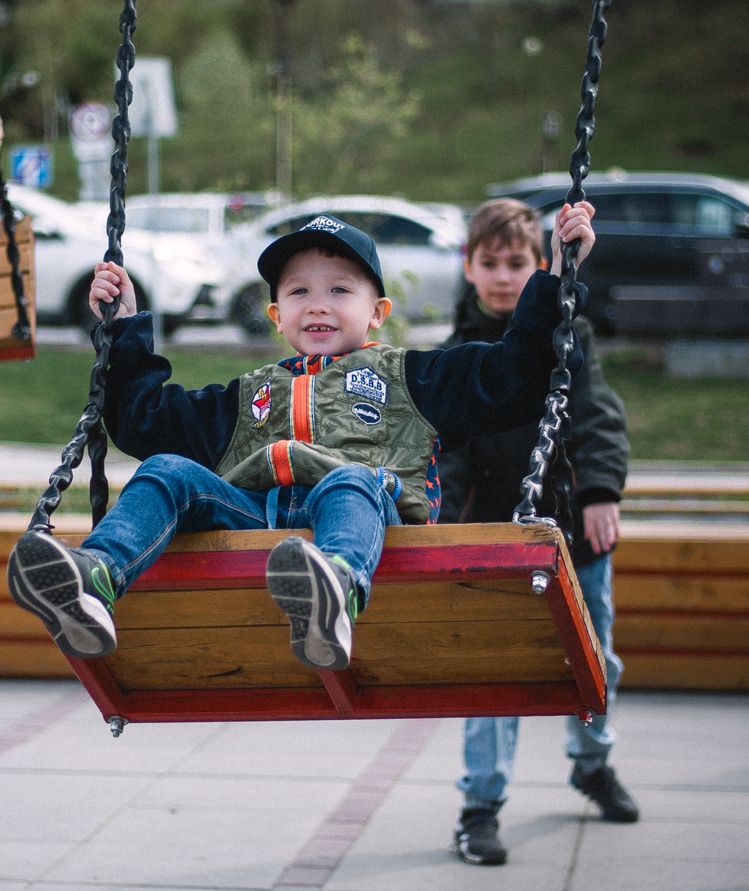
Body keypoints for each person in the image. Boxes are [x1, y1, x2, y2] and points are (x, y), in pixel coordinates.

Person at [7, 206, 595, 673]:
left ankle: (332, 590)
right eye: (298, 293)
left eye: (340, 290)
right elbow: (144, 420)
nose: (317, 305)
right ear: (275, 315)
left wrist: (556, 279)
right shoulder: (248, 396)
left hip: (369, 523)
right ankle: (93, 579)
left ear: (377, 312)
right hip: (259, 520)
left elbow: (515, 376)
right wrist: (124, 329)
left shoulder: (413, 379)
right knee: (165, 468)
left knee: (349, 479)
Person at [441, 198, 639, 868]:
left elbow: (596, 413)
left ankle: (591, 761)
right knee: (494, 670)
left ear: (540, 266)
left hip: (571, 527)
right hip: (493, 535)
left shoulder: (566, 333)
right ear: (468, 267)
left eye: (517, 264)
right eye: (490, 263)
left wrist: (599, 491)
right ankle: (480, 803)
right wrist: (443, 524)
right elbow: (446, 447)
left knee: (594, 659)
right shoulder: (456, 354)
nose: (503, 277)